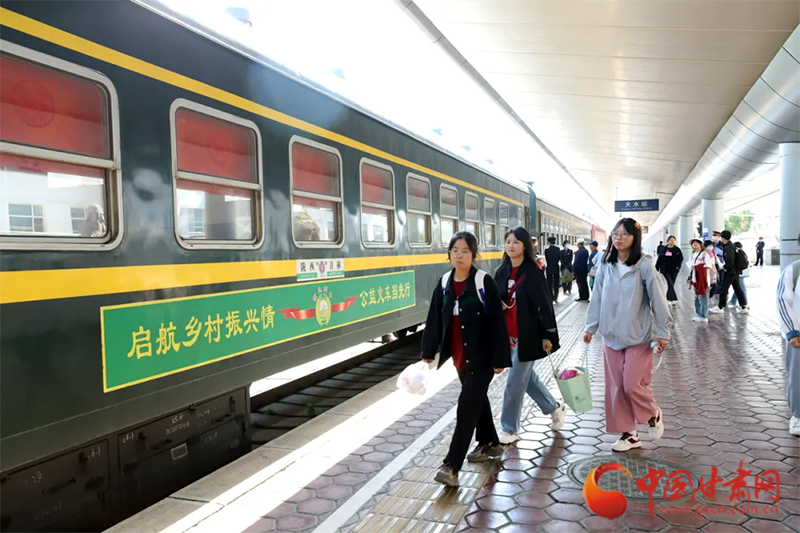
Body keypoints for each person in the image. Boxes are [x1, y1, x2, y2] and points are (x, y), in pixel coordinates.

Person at [420, 232, 512, 487]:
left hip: (482, 357)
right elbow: (435, 318)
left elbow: (497, 322)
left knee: (466, 407)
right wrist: (428, 351)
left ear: (473, 255)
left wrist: (499, 357)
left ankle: (451, 466)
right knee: (476, 400)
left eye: (465, 251)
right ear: (449, 254)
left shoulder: (483, 282)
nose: (459, 255)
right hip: (460, 358)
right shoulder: (444, 283)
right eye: (455, 250)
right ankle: (490, 442)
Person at [584, 218, 672, 452]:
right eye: (615, 233)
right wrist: (590, 327)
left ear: (635, 238)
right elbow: (597, 297)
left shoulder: (644, 265)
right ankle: (630, 435)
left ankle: (652, 412)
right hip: (611, 335)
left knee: (631, 384)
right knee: (616, 387)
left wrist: (662, 332)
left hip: (638, 336)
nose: (618, 238)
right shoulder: (606, 265)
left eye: (624, 234)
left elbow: (658, 300)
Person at [495, 227, 567, 444]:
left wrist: (547, 336)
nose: (511, 246)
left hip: (529, 336)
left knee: (514, 383)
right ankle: (554, 407)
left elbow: (544, 307)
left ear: (525, 246)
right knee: (528, 380)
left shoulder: (533, 273)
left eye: (516, 242)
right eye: (508, 241)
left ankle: (509, 428)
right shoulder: (501, 272)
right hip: (508, 336)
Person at [776, 232, 800, 436]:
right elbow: (783, 301)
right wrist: (792, 331)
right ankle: (798, 416)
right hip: (799, 336)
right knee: (798, 376)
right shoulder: (794, 270)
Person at [709, 230, 749, 314]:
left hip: (730, 271)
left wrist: (724, 268)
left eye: (721, 237)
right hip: (735, 271)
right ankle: (743, 306)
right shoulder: (731, 245)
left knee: (723, 288)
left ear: (723, 238)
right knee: (737, 288)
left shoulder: (728, 247)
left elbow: (730, 261)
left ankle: (720, 307)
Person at [687, 238, 715, 323]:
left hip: (703, 280)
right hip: (695, 279)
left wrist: (697, 267)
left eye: (696, 242)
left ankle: (703, 315)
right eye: (693, 243)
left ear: (700, 244)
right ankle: (699, 314)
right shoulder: (693, 255)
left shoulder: (704, 254)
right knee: (697, 297)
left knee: (703, 297)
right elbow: (690, 266)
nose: (695, 244)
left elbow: (708, 266)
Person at [655, 235, 683, 307]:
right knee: (670, 284)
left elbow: (680, 259)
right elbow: (659, 259)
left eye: (673, 240)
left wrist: (678, 266)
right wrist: (656, 268)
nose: (672, 241)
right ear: (667, 241)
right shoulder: (663, 249)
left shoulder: (677, 250)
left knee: (671, 285)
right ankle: (673, 299)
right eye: (671, 240)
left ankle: (668, 299)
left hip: (674, 270)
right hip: (665, 270)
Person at [730, 242, 749, 307]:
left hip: (737, 272)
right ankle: (733, 301)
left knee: (741, 288)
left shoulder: (735, 253)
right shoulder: (741, 252)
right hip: (741, 272)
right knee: (739, 288)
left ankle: (744, 303)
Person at [544, 237, 561, 302]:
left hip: (549, 267)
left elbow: (547, 259)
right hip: (556, 267)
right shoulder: (558, 249)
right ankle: (556, 296)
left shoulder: (547, 250)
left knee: (549, 283)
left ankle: (550, 296)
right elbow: (559, 258)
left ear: (549, 242)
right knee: (556, 282)